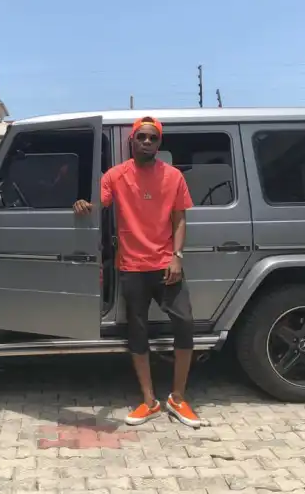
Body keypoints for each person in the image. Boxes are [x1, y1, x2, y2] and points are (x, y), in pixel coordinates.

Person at [73, 116, 201, 428]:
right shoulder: (115, 176)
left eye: (152, 138)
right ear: (132, 140)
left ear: (159, 143)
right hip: (131, 266)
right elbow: (97, 205)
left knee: (185, 325)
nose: (146, 142)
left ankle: (178, 398)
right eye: (141, 137)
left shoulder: (173, 177)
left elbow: (180, 220)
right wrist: (81, 205)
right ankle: (149, 401)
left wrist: (177, 257)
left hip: (165, 265)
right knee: (137, 333)